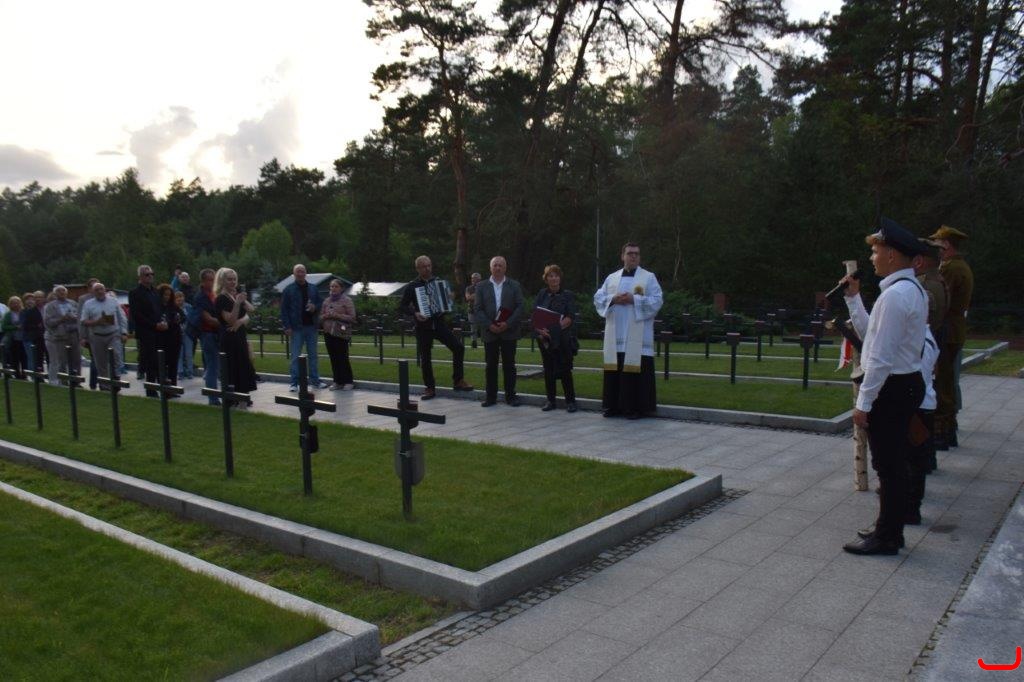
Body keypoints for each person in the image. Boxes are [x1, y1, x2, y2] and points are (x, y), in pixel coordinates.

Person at [840, 218, 927, 556]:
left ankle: (888, 537)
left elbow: (879, 358)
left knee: (889, 466)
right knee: (892, 462)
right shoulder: (907, 290)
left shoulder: (895, 296)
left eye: (876, 252)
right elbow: (872, 336)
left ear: (891, 255)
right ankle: (888, 526)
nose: (872, 258)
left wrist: (864, 403)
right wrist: (853, 299)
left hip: (892, 387)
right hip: (902, 384)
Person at [593, 242, 664, 419]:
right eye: (630, 253)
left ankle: (635, 408)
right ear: (622, 256)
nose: (633, 256)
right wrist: (613, 299)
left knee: (635, 372)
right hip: (615, 335)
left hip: (638, 338)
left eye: (636, 254)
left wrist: (635, 300)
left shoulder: (648, 278)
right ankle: (612, 406)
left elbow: (657, 300)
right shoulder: (612, 278)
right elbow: (598, 298)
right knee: (614, 371)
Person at [399, 256, 474, 399]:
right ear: (418, 268)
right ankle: (429, 388)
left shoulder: (439, 282)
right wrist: (415, 313)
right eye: (424, 266)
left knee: (458, 347)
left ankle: (458, 380)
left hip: (439, 323)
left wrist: (449, 299)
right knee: (425, 357)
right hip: (423, 326)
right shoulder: (413, 286)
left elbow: (447, 305)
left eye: (429, 265)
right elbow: (402, 306)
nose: (427, 268)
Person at [928, 225, 973, 450]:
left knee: (943, 383)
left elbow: (940, 300)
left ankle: (941, 433)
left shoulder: (951, 268)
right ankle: (949, 430)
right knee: (946, 382)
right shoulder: (959, 266)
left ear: (946, 244)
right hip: (954, 329)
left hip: (947, 330)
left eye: (938, 244)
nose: (936, 249)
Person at [473, 256, 524, 407]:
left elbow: (520, 307)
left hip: (509, 331)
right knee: (490, 365)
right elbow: (477, 309)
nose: (498, 268)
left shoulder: (514, 285)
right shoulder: (481, 286)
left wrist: (507, 324)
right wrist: (490, 325)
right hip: (490, 332)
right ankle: (490, 397)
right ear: (490, 268)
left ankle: (511, 396)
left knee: (509, 365)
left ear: (505, 268)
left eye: (500, 265)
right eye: (495, 265)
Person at [535, 264, 578, 412]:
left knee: (565, 370)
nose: (554, 278)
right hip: (545, 339)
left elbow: (570, 317)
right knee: (548, 370)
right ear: (546, 279)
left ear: (560, 278)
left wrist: (555, 330)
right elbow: (536, 314)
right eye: (550, 276)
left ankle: (570, 402)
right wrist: (541, 330)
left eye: (556, 275)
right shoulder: (542, 294)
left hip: (562, 339)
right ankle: (550, 401)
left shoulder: (567, 295)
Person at [214, 267, 256, 405]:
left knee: (243, 366)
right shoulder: (221, 298)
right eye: (229, 279)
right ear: (222, 281)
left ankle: (243, 396)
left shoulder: (235, 295)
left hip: (240, 336)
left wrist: (241, 320)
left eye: (234, 279)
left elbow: (251, 310)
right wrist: (237, 304)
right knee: (232, 367)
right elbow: (230, 321)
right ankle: (232, 399)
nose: (233, 282)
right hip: (229, 338)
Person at [280, 264, 324, 392]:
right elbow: (284, 310)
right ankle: (294, 383)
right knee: (295, 356)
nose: (300, 274)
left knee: (313, 355)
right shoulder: (288, 290)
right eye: (298, 272)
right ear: (294, 274)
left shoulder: (313, 288)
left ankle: (315, 381)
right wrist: (287, 326)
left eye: (302, 271)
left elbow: (320, 302)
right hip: (296, 328)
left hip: (311, 327)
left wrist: (314, 307)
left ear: (306, 273)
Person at [79, 282, 128, 383]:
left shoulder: (113, 301)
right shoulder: (88, 304)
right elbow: (84, 321)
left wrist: (124, 333)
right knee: (100, 361)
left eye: (101, 289)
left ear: (105, 290)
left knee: (116, 356)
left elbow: (122, 317)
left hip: (113, 334)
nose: (100, 291)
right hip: (97, 336)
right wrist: (97, 322)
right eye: (96, 290)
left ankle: (116, 380)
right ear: (93, 292)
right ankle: (104, 384)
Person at [129, 265, 166, 396]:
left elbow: (160, 309)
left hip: (159, 331)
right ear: (140, 277)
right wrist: (154, 325)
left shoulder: (155, 292)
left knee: (160, 361)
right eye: (147, 274)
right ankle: (151, 390)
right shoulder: (135, 293)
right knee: (150, 361)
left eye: (152, 274)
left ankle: (162, 387)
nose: (150, 276)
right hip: (146, 332)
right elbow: (137, 315)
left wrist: (163, 322)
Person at [320, 279, 357, 390]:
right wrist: (325, 316)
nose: (333, 288)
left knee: (342, 357)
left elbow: (352, 317)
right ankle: (337, 381)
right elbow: (321, 316)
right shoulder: (326, 301)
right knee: (333, 358)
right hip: (328, 333)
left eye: (336, 286)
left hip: (341, 333)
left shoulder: (347, 300)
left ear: (341, 288)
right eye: (332, 286)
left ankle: (348, 381)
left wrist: (336, 315)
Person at [43, 285, 81, 385]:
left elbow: (81, 316)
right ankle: (63, 381)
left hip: (74, 334)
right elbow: (48, 322)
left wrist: (75, 318)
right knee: (62, 360)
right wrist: (62, 319)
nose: (62, 293)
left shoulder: (73, 303)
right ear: (55, 293)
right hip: (60, 336)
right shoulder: (50, 306)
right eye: (59, 291)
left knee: (76, 359)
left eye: (63, 291)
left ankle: (76, 381)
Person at [193, 269, 221, 405]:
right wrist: (225, 321)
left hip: (218, 333)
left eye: (214, 279)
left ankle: (225, 395)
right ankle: (213, 398)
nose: (213, 282)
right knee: (212, 366)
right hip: (208, 334)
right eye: (210, 280)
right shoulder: (200, 297)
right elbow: (208, 319)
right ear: (203, 281)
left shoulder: (215, 294)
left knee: (220, 365)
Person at [156, 283, 183, 385]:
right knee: (162, 362)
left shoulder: (173, 306)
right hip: (162, 338)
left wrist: (178, 319)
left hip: (175, 337)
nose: (167, 297)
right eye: (165, 295)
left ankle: (173, 385)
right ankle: (163, 383)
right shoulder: (157, 307)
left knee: (173, 363)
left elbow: (183, 317)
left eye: (169, 295)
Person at [76, 278, 100, 389]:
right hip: (90, 334)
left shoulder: (105, 298)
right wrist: (82, 336)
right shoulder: (83, 299)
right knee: (95, 358)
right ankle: (93, 384)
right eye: (93, 286)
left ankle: (103, 382)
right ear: (89, 288)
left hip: (104, 333)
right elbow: (80, 319)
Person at [1, 296, 28, 378]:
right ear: (10, 304)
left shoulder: (24, 313)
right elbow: (4, 326)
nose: (16, 304)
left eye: (17, 303)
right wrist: (15, 327)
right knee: (15, 357)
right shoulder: (8, 314)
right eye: (13, 303)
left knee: (24, 357)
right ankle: (16, 374)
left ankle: (25, 374)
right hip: (13, 339)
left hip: (24, 338)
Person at [20, 292, 44, 373]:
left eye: (32, 299)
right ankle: (32, 375)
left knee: (38, 358)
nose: (30, 301)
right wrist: (37, 326)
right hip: (28, 338)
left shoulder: (37, 310)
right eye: (28, 299)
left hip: (38, 337)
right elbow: (24, 325)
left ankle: (39, 374)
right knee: (31, 357)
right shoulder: (23, 311)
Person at [176, 290, 195, 379]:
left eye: (181, 297)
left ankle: (189, 371)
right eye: (177, 298)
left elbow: (192, 319)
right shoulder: (173, 308)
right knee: (179, 354)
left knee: (188, 354)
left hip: (188, 333)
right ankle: (180, 372)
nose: (180, 300)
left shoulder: (189, 307)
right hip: (177, 334)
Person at [464, 272, 482, 349]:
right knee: (473, 327)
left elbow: (485, 298)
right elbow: (468, 298)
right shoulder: (468, 288)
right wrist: (477, 294)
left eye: (474, 278)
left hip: (482, 310)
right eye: (472, 278)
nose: (473, 279)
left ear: (479, 279)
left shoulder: (483, 287)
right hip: (471, 310)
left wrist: (473, 296)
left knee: (484, 326)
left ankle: (486, 341)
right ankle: (474, 342)